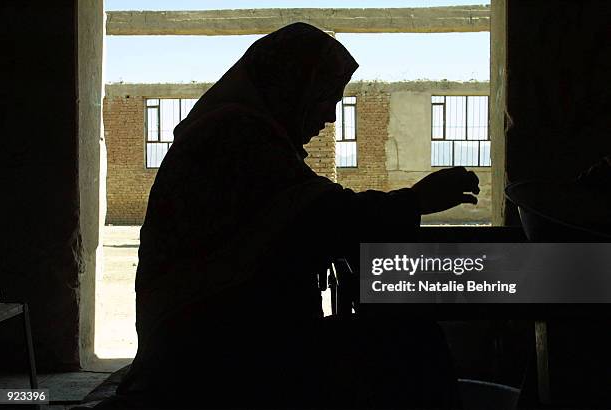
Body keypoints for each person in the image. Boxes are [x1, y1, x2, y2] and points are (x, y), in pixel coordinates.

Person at [102, 22, 480, 410]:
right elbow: (322, 218)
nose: (331, 117)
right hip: (209, 352)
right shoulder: (235, 135)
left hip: (219, 336)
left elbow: (307, 211)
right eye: (325, 98)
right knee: (411, 345)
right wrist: (415, 201)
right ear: (292, 87)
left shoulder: (244, 131)